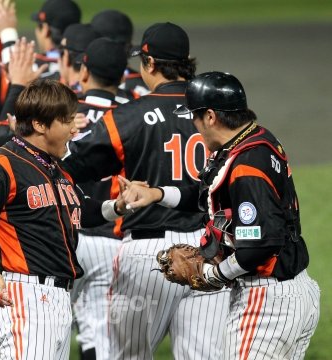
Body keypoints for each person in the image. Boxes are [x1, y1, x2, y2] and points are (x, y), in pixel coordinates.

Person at [121, 71, 321, 360]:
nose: (193, 124)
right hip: (291, 290)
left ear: (211, 116)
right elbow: (209, 196)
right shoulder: (252, 140)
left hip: (268, 301)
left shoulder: (247, 165)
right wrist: (157, 194)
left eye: (195, 116)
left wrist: (214, 274)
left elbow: (262, 243)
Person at [62, 23, 229, 359]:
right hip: (209, 251)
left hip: (147, 256)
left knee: (127, 356)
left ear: (150, 65)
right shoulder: (218, 115)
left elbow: (70, 166)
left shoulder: (131, 116)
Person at [0, 79, 130, 360]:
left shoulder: (56, 167)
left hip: (58, 298)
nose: (74, 129)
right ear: (39, 124)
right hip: (25, 296)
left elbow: (79, 212)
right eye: (66, 121)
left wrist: (117, 207)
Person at [67, 37, 128, 360]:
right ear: (121, 77)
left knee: (55, 326)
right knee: (101, 330)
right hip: (111, 239)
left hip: (65, 238)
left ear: (84, 72)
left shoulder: (62, 113)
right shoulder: (130, 117)